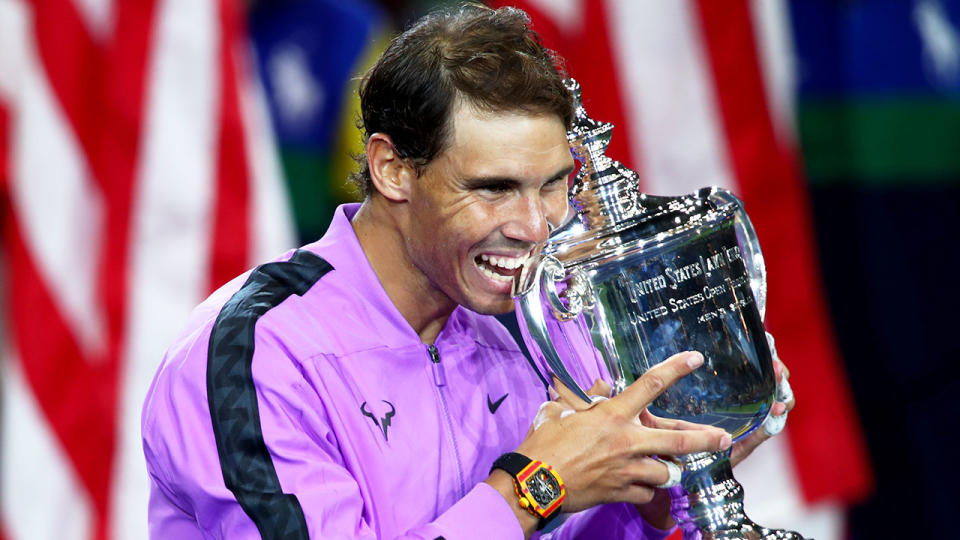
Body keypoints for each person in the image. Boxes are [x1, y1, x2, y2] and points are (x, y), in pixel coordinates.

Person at [141, 4, 793, 539]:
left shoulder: (544, 319)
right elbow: (542, 494)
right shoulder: (255, 356)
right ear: (392, 169)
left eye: (553, 186)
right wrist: (536, 486)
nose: (536, 227)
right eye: (494, 188)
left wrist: (654, 495)